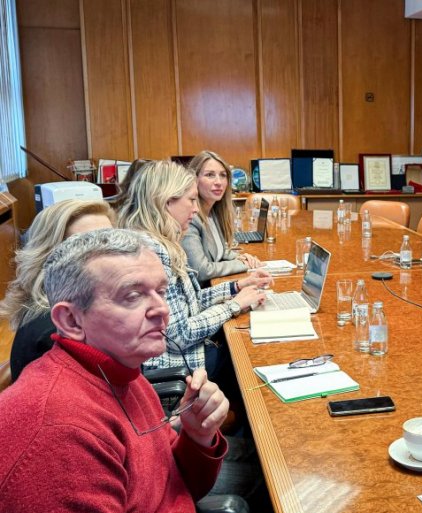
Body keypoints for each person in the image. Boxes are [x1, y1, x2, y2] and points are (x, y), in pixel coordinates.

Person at [0, 229, 228, 511]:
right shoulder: (58, 434)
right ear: (71, 320)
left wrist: (197, 436)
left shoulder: (123, 371)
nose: (162, 309)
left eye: (161, 291)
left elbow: (175, 488)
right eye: (132, 296)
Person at [117, 160, 270, 377]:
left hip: (184, 356)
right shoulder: (153, 252)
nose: (196, 208)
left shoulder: (155, 241)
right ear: (166, 201)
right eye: (191, 200)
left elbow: (190, 303)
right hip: (180, 367)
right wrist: (234, 305)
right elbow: (180, 334)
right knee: (251, 351)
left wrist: (236, 287)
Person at [0, 199, 115, 382]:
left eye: (111, 240)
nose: (111, 255)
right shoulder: (57, 332)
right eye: (87, 245)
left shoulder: (76, 305)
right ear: (50, 257)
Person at [182, 150, 261, 284]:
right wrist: (241, 265)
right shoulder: (190, 218)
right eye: (210, 175)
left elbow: (218, 251)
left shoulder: (213, 211)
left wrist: (241, 257)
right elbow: (201, 270)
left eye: (223, 175)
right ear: (194, 179)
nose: (218, 182)